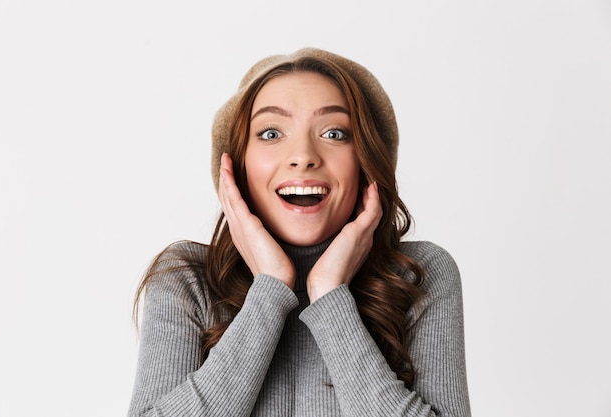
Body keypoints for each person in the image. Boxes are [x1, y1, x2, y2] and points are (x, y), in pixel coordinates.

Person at [127, 48, 471, 417]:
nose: (303, 155)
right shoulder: (187, 278)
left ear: (366, 162)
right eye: (271, 133)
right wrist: (270, 291)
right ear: (236, 166)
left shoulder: (419, 274)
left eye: (335, 132)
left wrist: (329, 296)